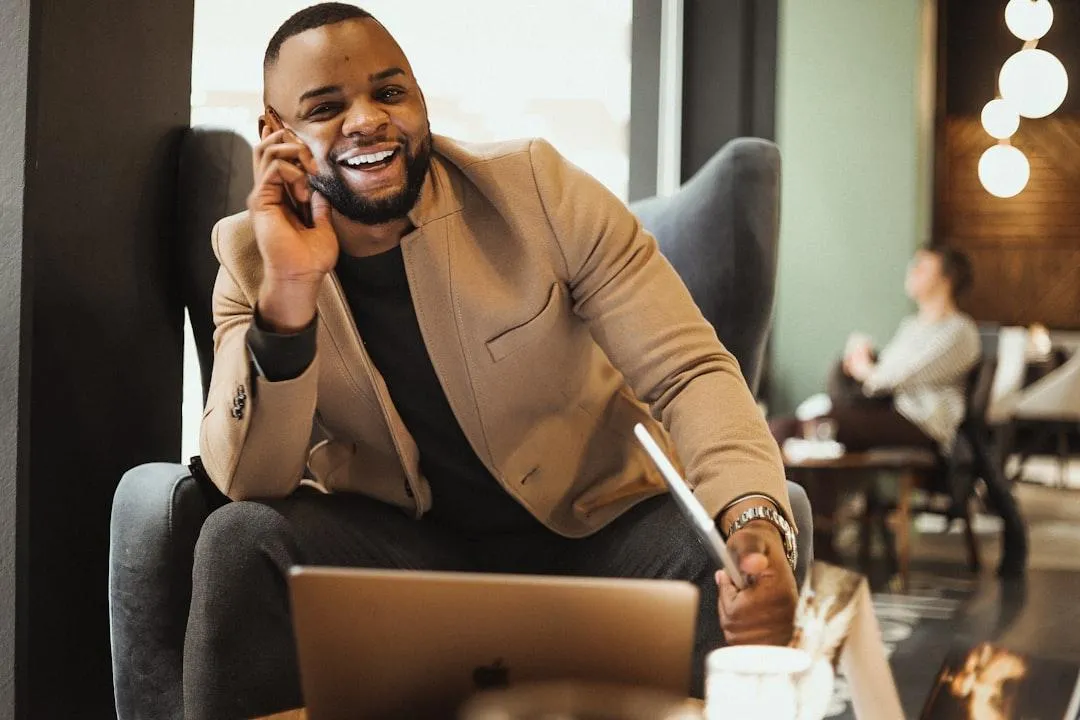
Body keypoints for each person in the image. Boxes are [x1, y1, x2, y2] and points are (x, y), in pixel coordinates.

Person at [187, 4, 800, 717]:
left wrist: (754, 518)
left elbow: (688, 370)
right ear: (275, 133)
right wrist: (290, 295)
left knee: (732, 550)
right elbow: (249, 479)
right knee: (240, 539)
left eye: (390, 92)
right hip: (407, 561)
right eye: (325, 107)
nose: (367, 120)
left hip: (599, 540)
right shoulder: (249, 258)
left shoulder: (537, 189)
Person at [771, 245, 1026, 576]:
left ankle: (820, 540)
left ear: (946, 278)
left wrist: (865, 367)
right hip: (892, 414)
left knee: (811, 426)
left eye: (922, 266)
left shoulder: (959, 331)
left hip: (921, 425)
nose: (912, 271)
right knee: (787, 429)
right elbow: (883, 378)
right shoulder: (912, 325)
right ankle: (806, 535)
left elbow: (894, 378)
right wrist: (863, 363)